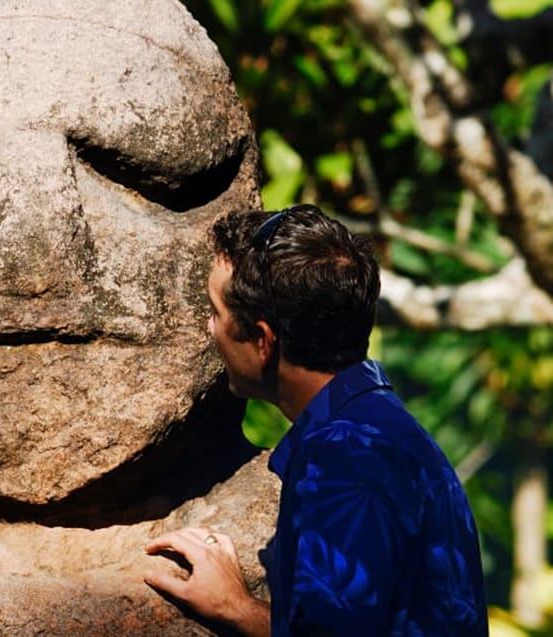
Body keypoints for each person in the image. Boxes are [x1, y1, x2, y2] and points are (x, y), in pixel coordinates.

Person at [144, 205, 488, 636]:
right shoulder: (378, 428)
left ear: (263, 340)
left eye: (215, 311)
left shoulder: (343, 459)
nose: (210, 329)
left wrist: (235, 606)